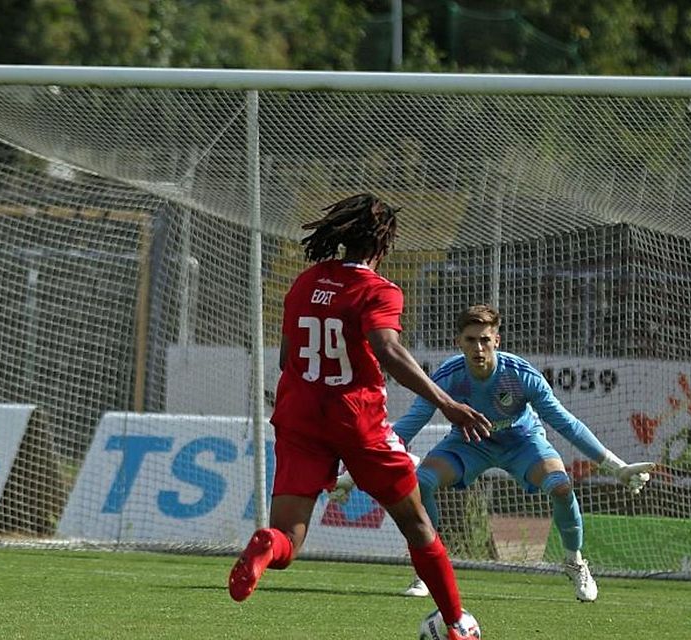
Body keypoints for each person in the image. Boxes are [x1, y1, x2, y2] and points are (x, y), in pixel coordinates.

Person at [227, 194, 492, 640]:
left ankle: (267, 545)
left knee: (289, 538)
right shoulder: (378, 290)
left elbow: (288, 357)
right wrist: (447, 404)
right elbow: (387, 350)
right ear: (382, 244)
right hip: (357, 420)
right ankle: (456, 623)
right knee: (416, 525)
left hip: (299, 416)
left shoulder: (305, 281)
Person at [335, 304, 654, 602]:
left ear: (496, 340)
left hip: (523, 443)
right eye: (470, 340)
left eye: (485, 340)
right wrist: (355, 474)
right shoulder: (448, 377)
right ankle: (426, 571)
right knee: (422, 482)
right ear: (458, 341)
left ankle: (574, 562)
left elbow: (566, 424)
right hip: (468, 444)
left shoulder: (520, 376)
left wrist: (617, 467)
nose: (478, 348)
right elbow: (408, 425)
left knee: (560, 486)